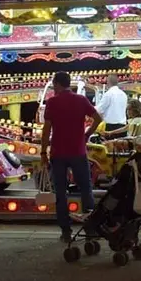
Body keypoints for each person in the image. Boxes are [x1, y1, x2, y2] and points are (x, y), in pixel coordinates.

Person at [41, 71, 102, 243]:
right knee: (85, 189)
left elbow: (47, 130)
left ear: (58, 84)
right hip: (78, 152)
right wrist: (87, 134)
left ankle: (66, 231)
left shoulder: (52, 102)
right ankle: (90, 229)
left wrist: (42, 151)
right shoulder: (81, 100)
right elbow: (98, 118)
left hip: (58, 153)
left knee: (60, 192)